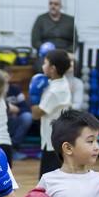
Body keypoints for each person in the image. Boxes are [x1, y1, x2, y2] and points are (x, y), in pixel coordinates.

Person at [30, 49, 72, 177]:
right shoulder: (61, 81)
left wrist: (33, 95)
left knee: (47, 179)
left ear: (52, 68)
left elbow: (36, 114)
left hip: (52, 140)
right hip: (57, 137)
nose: (43, 66)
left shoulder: (54, 91)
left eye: (45, 63)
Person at [0, 61, 33, 161]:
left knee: (27, 116)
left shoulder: (15, 90)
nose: (2, 80)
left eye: (5, 76)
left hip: (13, 120)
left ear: (10, 76)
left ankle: (13, 147)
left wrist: (14, 109)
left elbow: (26, 108)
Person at [31, 0, 79, 72]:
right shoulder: (41, 19)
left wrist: (68, 53)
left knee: (75, 66)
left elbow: (75, 41)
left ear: (60, 6)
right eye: (50, 3)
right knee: (39, 67)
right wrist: (45, 49)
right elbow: (35, 41)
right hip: (46, 54)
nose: (53, 6)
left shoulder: (70, 21)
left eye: (56, 4)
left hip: (64, 54)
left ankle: (66, 84)